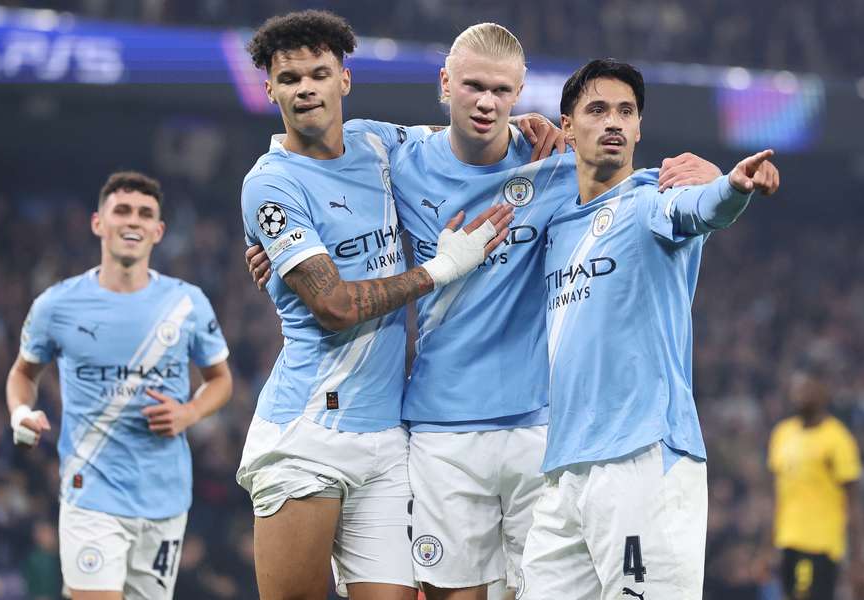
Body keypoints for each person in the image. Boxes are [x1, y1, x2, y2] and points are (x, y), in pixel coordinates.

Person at [246, 23, 721, 600]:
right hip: (432, 430)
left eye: (502, 92)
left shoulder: (550, 160)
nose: (487, 102)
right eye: (473, 87)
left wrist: (710, 182)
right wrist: (276, 253)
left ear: (521, 95)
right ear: (445, 84)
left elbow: (629, 190)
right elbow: (328, 262)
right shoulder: (389, 155)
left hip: (538, 429)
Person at [233, 11, 512, 600]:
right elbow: (332, 305)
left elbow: (460, 136)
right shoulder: (272, 183)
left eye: (319, 72)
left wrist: (529, 123)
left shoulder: (377, 142)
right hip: (309, 432)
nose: (305, 87)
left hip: (386, 439)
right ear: (270, 91)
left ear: (345, 81)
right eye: (289, 78)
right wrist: (438, 270)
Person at [516, 58, 780, 599]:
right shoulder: (557, 225)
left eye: (626, 111)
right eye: (597, 109)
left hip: (642, 459)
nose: (613, 121)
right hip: (566, 470)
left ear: (638, 129)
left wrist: (733, 185)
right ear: (568, 126)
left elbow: (701, 207)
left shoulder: (650, 203)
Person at [6, 171, 233, 600]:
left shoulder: (187, 303)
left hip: (164, 497)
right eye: (122, 210)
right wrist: (21, 412)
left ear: (158, 230)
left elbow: (221, 381)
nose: (133, 221)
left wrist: (189, 412)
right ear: (98, 223)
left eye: (145, 213)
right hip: (89, 492)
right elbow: (22, 373)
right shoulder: (57, 304)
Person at [765, 364, 864, 600]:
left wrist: (859, 560)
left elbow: (854, 503)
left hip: (821, 544)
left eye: (806, 388)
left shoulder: (838, 439)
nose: (800, 394)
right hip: (786, 541)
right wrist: (766, 547)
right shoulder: (781, 434)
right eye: (796, 388)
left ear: (823, 393)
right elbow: (775, 496)